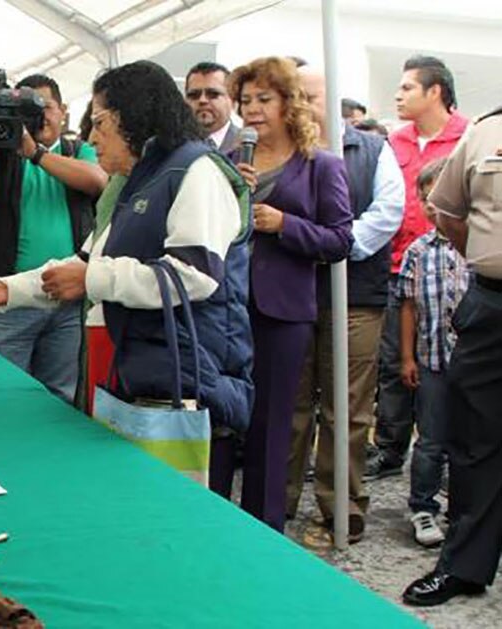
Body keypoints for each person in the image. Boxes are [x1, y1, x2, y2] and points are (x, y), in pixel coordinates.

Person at [0, 60, 252, 460]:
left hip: (185, 380)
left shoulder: (197, 171)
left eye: (101, 123)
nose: (91, 136)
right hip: (138, 373)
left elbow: (195, 275)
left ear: (133, 117)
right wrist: (7, 288)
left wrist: (93, 280)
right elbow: (86, 259)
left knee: (171, 505)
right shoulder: (135, 180)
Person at [228, 57, 353, 533]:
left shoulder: (321, 165)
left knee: (272, 425)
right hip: (227, 305)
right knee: (224, 423)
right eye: (246, 101)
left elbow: (340, 239)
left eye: (264, 99)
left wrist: (286, 225)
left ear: (288, 103)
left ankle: (263, 530)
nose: (253, 110)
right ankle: (216, 519)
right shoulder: (229, 160)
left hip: (283, 312)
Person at [285, 66, 405, 544]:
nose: (301, 104)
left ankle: (341, 509)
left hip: (355, 297)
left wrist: (332, 242)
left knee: (347, 410)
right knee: (292, 404)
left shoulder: (372, 149)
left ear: (332, 97)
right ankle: (279, 501)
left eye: (309, 95)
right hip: (293, 296)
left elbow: (388, 212)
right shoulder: (285, 150)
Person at [0, 74, 107, 403]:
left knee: (58, 398)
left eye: (45, 107)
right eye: (27, 109)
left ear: (63, 110)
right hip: (5, 299)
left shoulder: (78, 150)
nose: (38, 116)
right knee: (1, 397)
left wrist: (34, 152)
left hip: (65, 299)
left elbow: (98, 181)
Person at [402, 105, 502, 606]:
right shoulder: (489, 131)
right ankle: (464, 565)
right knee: (475, 444)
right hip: (493, 303)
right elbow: (451, 213)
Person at [369, 55, 469, 480]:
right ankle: (390, 449)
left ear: (436, 92)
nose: (398, 94)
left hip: (458, 266)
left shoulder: (472, 137)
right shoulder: (395, 141)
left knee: (455, 365)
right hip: (399, 264)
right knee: (396, 362)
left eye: (408, 87)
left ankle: (450, 456)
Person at [397, 158, 468, 548]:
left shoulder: (478, 246)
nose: (432, 206)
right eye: (425, 198)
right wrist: (407, 357)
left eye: (440, 197)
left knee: (471, 439)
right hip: (433, 360)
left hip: (474, 365)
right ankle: (423, 507)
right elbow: (407, 306)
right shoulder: (417, 252)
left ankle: (467, 509)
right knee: (429, 439)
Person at [184, 61, 240, 152]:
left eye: (213, 94)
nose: (202, 100)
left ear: (233, 100)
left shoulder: (251, 148)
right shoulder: (170, 146)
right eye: (194, 95)